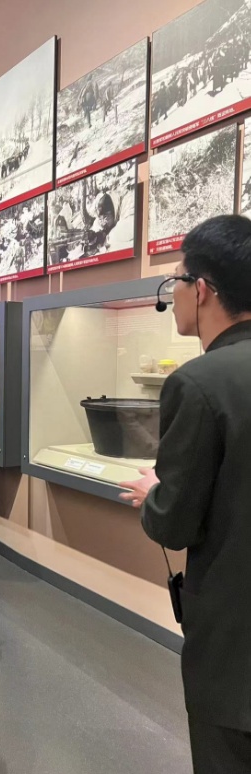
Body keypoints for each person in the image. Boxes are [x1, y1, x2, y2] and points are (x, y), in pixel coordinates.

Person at [120, 215, 251, 774]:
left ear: (201, 289)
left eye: (174, 280)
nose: (172, 294)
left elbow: (174, 522)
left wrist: (154, 492)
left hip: (234, 644)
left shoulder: (198, 383)